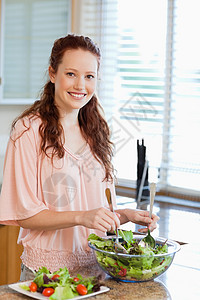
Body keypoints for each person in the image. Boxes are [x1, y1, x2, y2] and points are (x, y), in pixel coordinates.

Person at [0, 34, 159, 280]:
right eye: (71, 74)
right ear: (53, 74)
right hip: (47, 275)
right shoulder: (27, 130)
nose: (80, 86)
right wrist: (82, 217)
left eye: (89, 76)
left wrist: (124, 215)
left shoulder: (97, 129)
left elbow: (93, 210)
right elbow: (26, 214)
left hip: (98, 270)